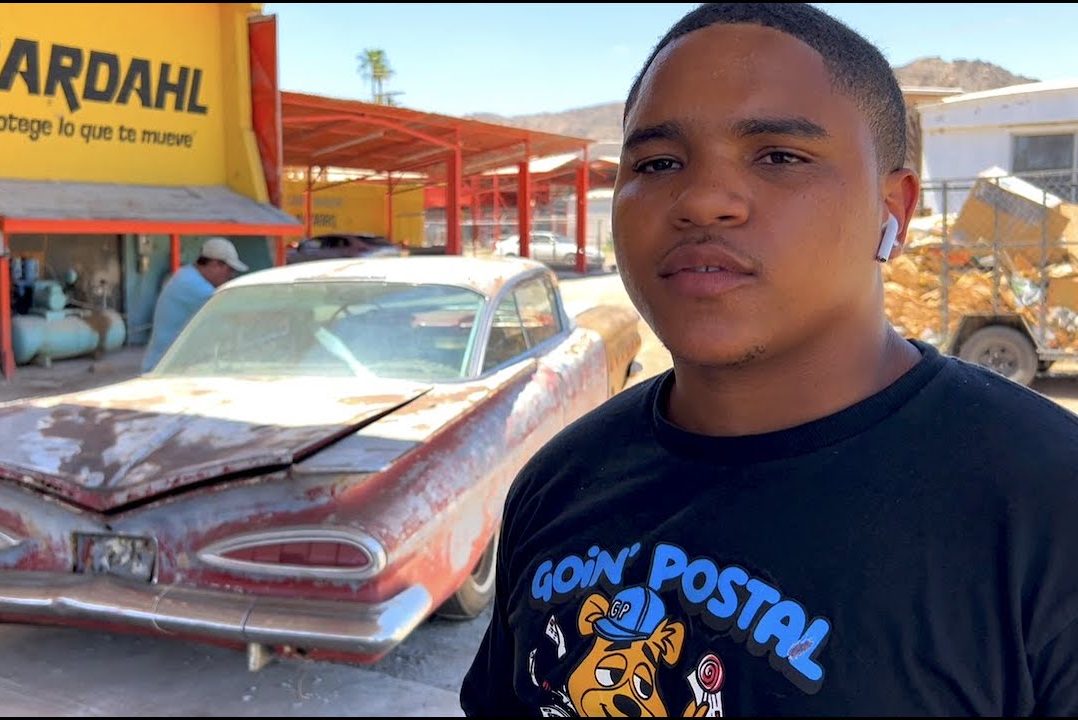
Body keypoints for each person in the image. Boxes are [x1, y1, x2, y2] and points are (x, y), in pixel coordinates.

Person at [460, 3, 1078, 716]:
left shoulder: (1043, 506)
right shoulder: (560, 481)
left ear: (894, 210)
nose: (701, 200)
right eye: (659, 163)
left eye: (780, 156)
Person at [141, 236, 248, 372]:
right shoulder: (194, 286)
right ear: (215, 264)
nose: (231, 275)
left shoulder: (187, 275)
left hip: (170, 367)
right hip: (165, 370)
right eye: (230, 269)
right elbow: (234, 313)